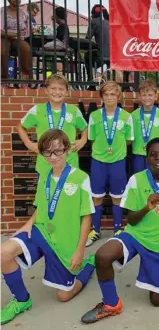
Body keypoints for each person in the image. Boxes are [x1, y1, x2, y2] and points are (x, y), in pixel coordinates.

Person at [80, 138, 159, 324]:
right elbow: (131, 220)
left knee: (157, 302)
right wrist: (147, 207)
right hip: (135, 234)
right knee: (102, 256)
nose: (158, 158)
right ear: (147, 158)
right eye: (153, 155)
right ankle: (111, 304)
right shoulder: (136, 180)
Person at [0, 129, 95, 325]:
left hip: (64, 242)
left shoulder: (80, 178)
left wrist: (79, 250)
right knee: (4, 253)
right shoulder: (44, 175)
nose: (53, 157)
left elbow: (86, 217)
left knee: (63, 296)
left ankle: (88, 264)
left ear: (67, 150)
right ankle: (22, 300)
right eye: (47, 152)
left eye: (58, 151)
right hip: (41, 231)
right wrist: (28, 224)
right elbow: (41, 206)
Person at [86, 81, 134, 247]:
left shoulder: (126, 117)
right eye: (106, 94)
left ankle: (117, 229)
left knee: (117, 197)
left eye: (113, 94)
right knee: (96, 197)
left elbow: (128, 140)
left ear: (118, 97)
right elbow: (91, 138)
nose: (109, 97)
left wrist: (114, 150)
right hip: (98, 162)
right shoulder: (94, 116)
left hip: (118, 162)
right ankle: (95, 230)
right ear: (102, 97)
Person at [16, 74, 88, 175]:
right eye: (53, 88)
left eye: (61, 89)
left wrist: (83, 140)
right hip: (45, 164)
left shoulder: (74, 111)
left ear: (66, 92)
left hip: (69, 163)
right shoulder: (37, 110)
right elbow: (20, 126)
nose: (57, 92)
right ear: (46, 90)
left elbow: (85, 127)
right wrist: (29, 143)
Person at [131, 79, 159, 175]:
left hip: (156, 155)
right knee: (139, 180)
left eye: (150, 95)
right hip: (138, 154)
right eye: (144, 95)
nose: (147, 98)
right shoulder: (133, 116)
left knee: (154, 180)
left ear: (156, 96)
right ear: (139, 96)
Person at [1, 0, 33, 87]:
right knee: (2, 49)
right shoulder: (2, 11)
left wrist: (20, 35)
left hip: (18, 39)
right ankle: (4, 78)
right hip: (3, 38)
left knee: (26, 48)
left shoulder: (24, 13)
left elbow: (27, 31)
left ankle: (25, 78)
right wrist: (15, 34)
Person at [85, 4, 110, 87]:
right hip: (114, 55)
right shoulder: (110, 22)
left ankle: (91, 84)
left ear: (93, 14)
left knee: (87, 55)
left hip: (102, 55)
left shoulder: (94, 22)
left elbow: (87, 39)